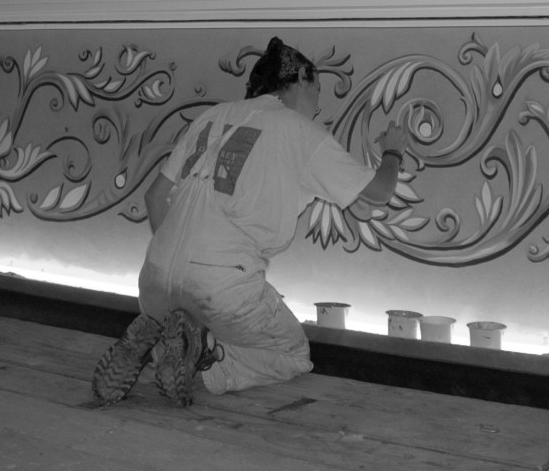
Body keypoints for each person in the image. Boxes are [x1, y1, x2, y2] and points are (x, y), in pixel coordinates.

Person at [88, 36, 408, 406]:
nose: (319, 105)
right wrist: (393, 150)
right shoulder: (297, 130)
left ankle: (162, 345)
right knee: (292, 353)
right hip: (222, 287)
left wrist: (184, 263)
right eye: (317, 90)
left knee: (200, 310)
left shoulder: (210, 117)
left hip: (154, 280)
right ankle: (203, 352)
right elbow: (379, 192)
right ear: (300, 79)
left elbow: (154, 197)